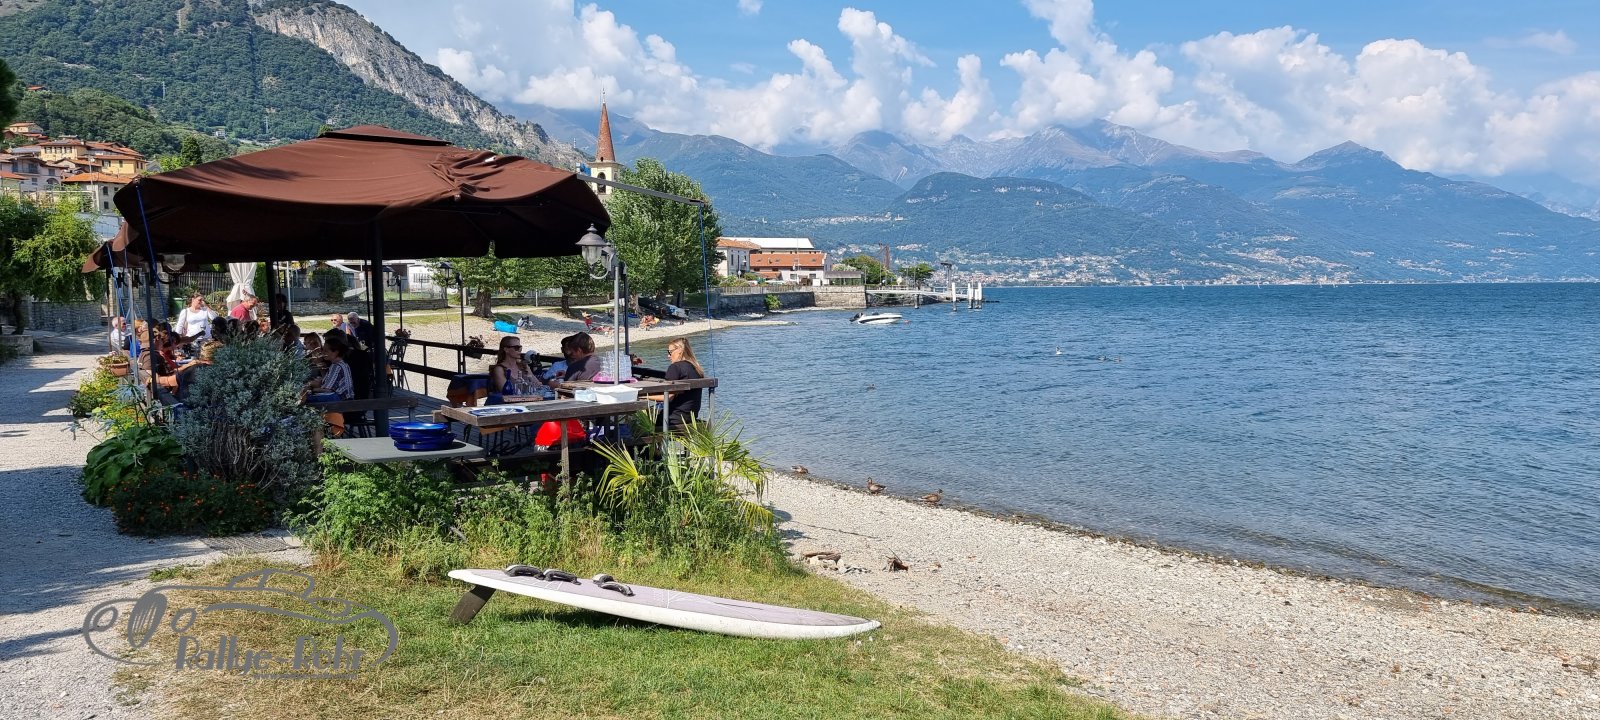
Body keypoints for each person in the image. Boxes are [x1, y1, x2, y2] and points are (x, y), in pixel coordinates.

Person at [663, 338, 706, 430]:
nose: (668, 356)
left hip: (673, 419)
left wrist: (643, 396)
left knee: (640, 422)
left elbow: (668, 396)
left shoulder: (675, 367)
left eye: (670, 352)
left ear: (680, 351)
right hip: (690, 417)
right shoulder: (696, 368)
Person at [305, 335, 353, 401]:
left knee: (305, 398)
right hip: (345, 399)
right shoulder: (343, 364)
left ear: (336, 352)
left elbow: (327, 390)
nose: (322, 352)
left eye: (326, 351)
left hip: (341, 400)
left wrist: (311, 389)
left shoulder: (336, 366)